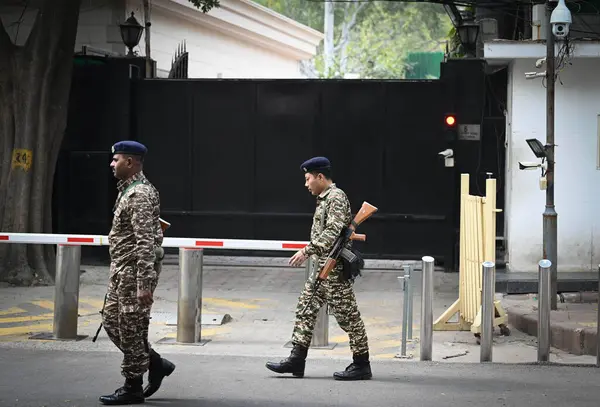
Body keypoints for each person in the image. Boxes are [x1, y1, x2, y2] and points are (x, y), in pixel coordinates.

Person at [265, 156, 372, 381]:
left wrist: (306, 251)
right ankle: (296, 360)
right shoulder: (325, 198)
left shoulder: (336, 197)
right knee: (306, 307)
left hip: (334, 269)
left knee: (348, 317)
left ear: (320, 177)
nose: (306, 184)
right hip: (322, 268)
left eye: (308, 179)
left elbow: (332, 232)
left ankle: (362, 364)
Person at [99, 140, 176, 405]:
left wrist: (144, 283)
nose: (112, 164)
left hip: (134, 273)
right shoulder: (128, 190)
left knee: (130, 328)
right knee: (111, 322)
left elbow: (145, 242)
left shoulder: (140, 194)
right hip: (122, 271)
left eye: (116, 159)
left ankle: (132, 386)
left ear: (129, 162)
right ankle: (155, 363)